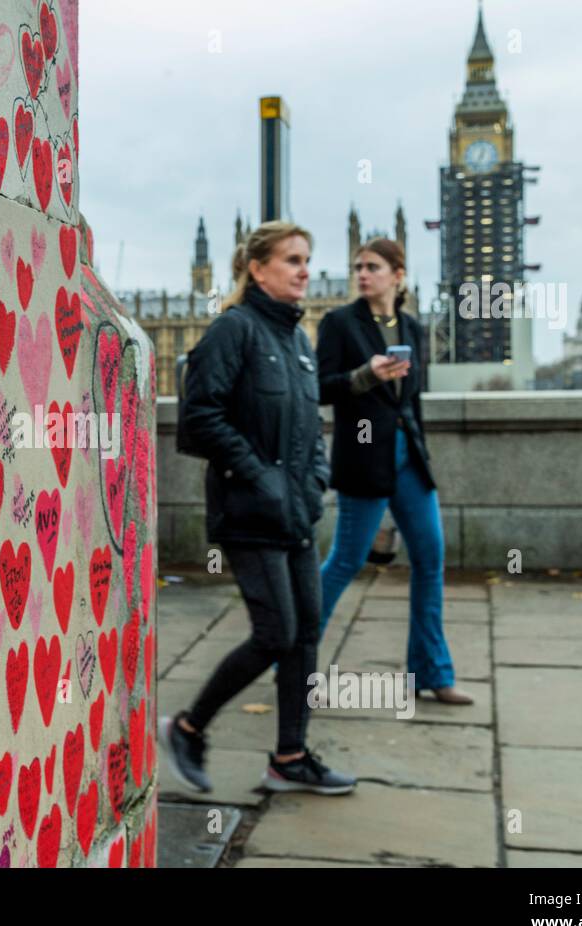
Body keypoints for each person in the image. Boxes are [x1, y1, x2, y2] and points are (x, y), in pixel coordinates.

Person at [159, 222, 357, 796]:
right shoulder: (233, 331)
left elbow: (309, 424)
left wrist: (314, 479)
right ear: (257, 267)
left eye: (308, 261)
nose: (304, 271)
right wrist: (261, 477)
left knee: (306, 634)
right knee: (275, 633)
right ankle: (188, 728)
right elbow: (200, 419)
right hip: (249, 510)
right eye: (292, 260)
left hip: (296, 510)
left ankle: (290, 757)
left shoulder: (297, 342)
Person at [315, 238, 472, 704]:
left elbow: (413, 400)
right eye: (358, 267)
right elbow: (321, 389)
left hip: (409, 459)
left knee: (430, 560)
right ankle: (292, 657)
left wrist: (419, 448)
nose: (363, 274)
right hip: (364, 458)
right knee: (344, 562)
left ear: (397, 275)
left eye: (374, 267)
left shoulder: (412, 328)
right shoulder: (339, 323)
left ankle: (432, 673)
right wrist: (367, 375)